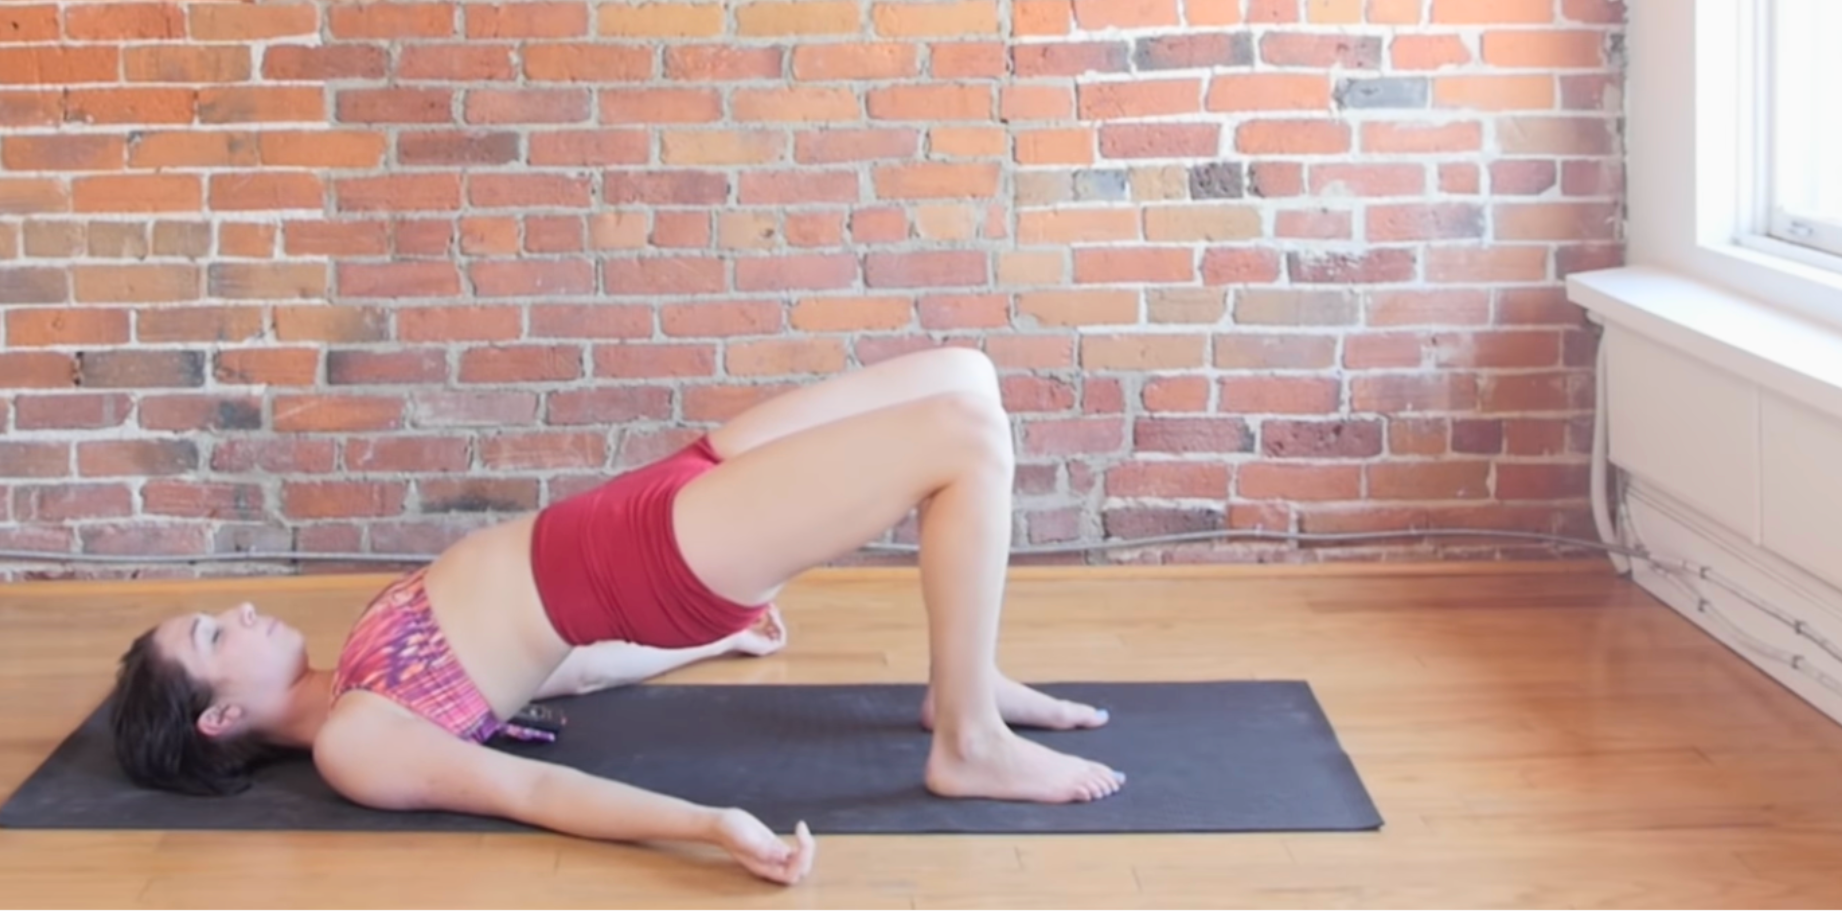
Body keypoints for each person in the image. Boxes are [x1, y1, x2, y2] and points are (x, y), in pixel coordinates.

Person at [108, 347, 1123, 885]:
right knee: (964, 436)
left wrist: (719, 642)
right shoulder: (356, 746)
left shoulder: (357, 674)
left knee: (965, 374)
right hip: (663, 554)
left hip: (648, 501)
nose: (235, 613)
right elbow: (536, 790)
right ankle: (967, 737)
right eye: (211, 634)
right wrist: (711, 826)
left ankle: (966, 675)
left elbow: (571, 670)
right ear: (219, 717)